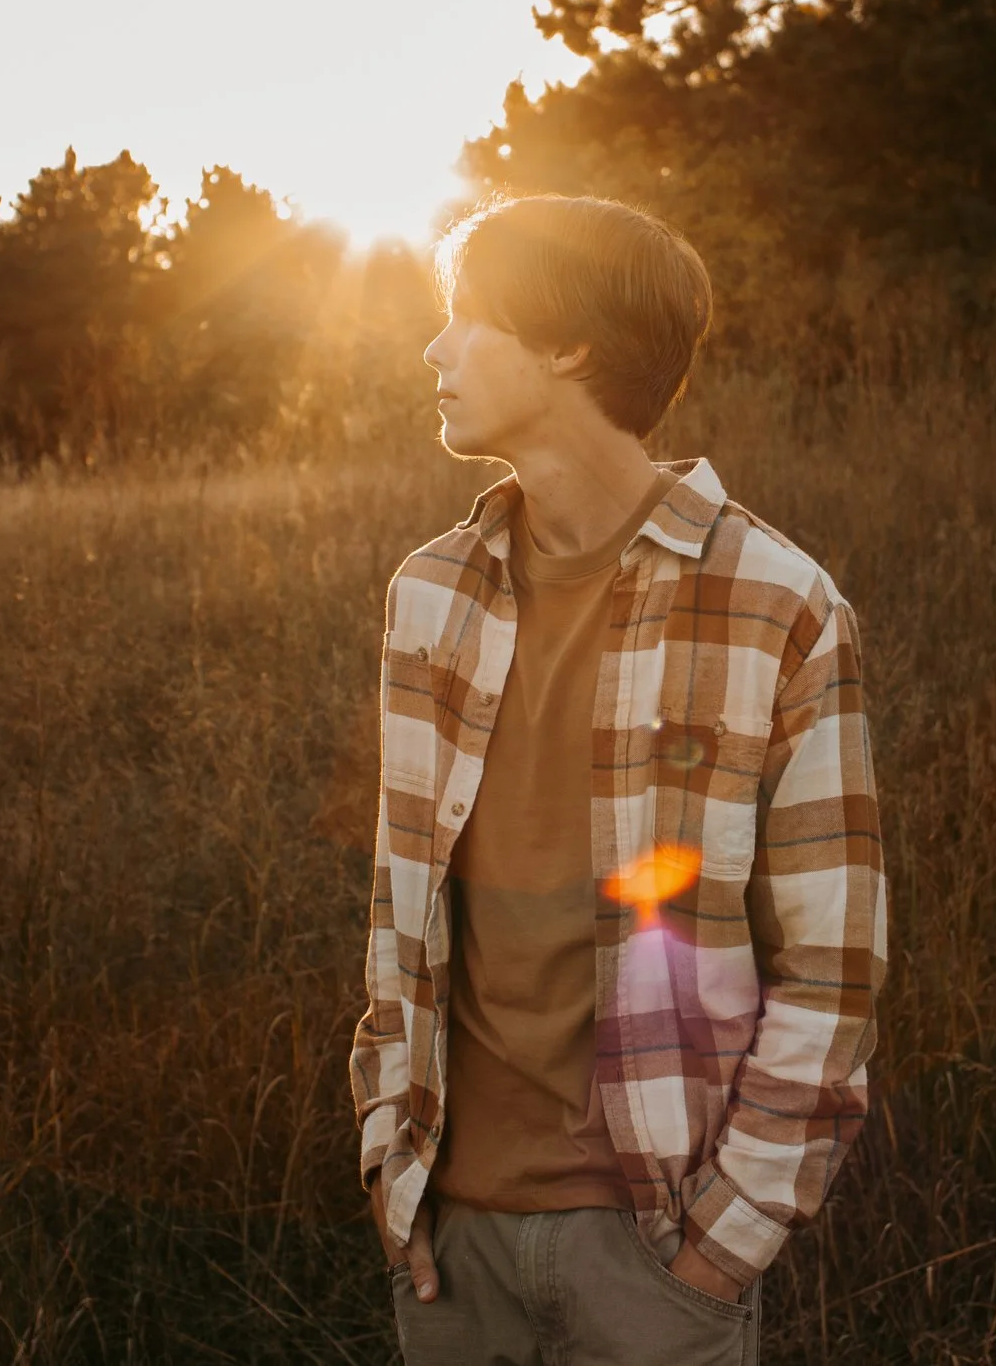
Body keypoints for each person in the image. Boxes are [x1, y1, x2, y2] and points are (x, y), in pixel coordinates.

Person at [348, 195, 888, 1364]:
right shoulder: (430, 592)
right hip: (454, 1239)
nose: (434, 351)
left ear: (567, 346)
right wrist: (393, 1165)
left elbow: (831, 969)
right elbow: (399, 913)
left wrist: (717, 1246)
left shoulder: (779, 604)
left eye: (463, 318)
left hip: (655, 1247)